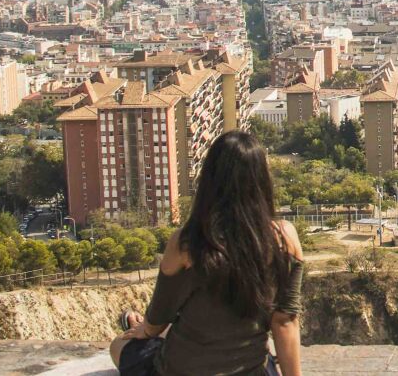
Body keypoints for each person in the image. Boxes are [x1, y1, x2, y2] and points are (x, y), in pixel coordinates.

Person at [109, 130, 303, 376]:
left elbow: (159, 318)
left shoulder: (187, 242)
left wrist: (144, 330)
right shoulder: (284, 238)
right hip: (249, 369)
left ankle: (133, 322)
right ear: (261, 179)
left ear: (209, 179)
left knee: (119, 345)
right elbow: (284, 321)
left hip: (181, 369)